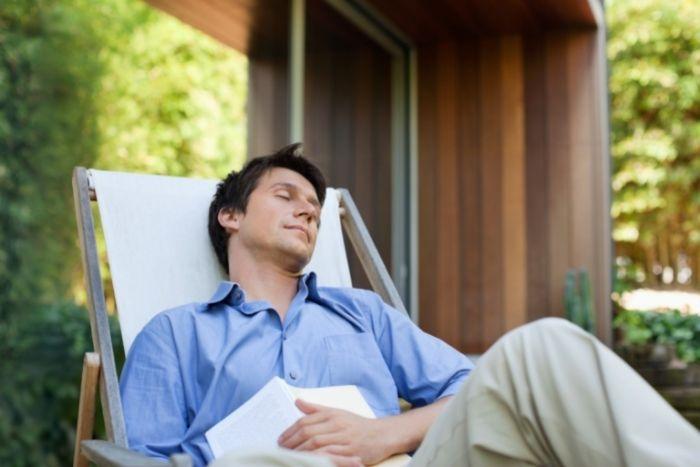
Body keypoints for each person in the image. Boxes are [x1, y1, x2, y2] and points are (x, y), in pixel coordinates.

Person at [121, 144, 700, 467]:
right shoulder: (174, 334)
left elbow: (469, 389)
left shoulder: (362, 313)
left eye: (316, 210)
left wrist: (387, 435)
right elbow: (143, 461)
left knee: (541, 348)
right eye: (286, 196)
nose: (307, 212)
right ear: (232, 216)